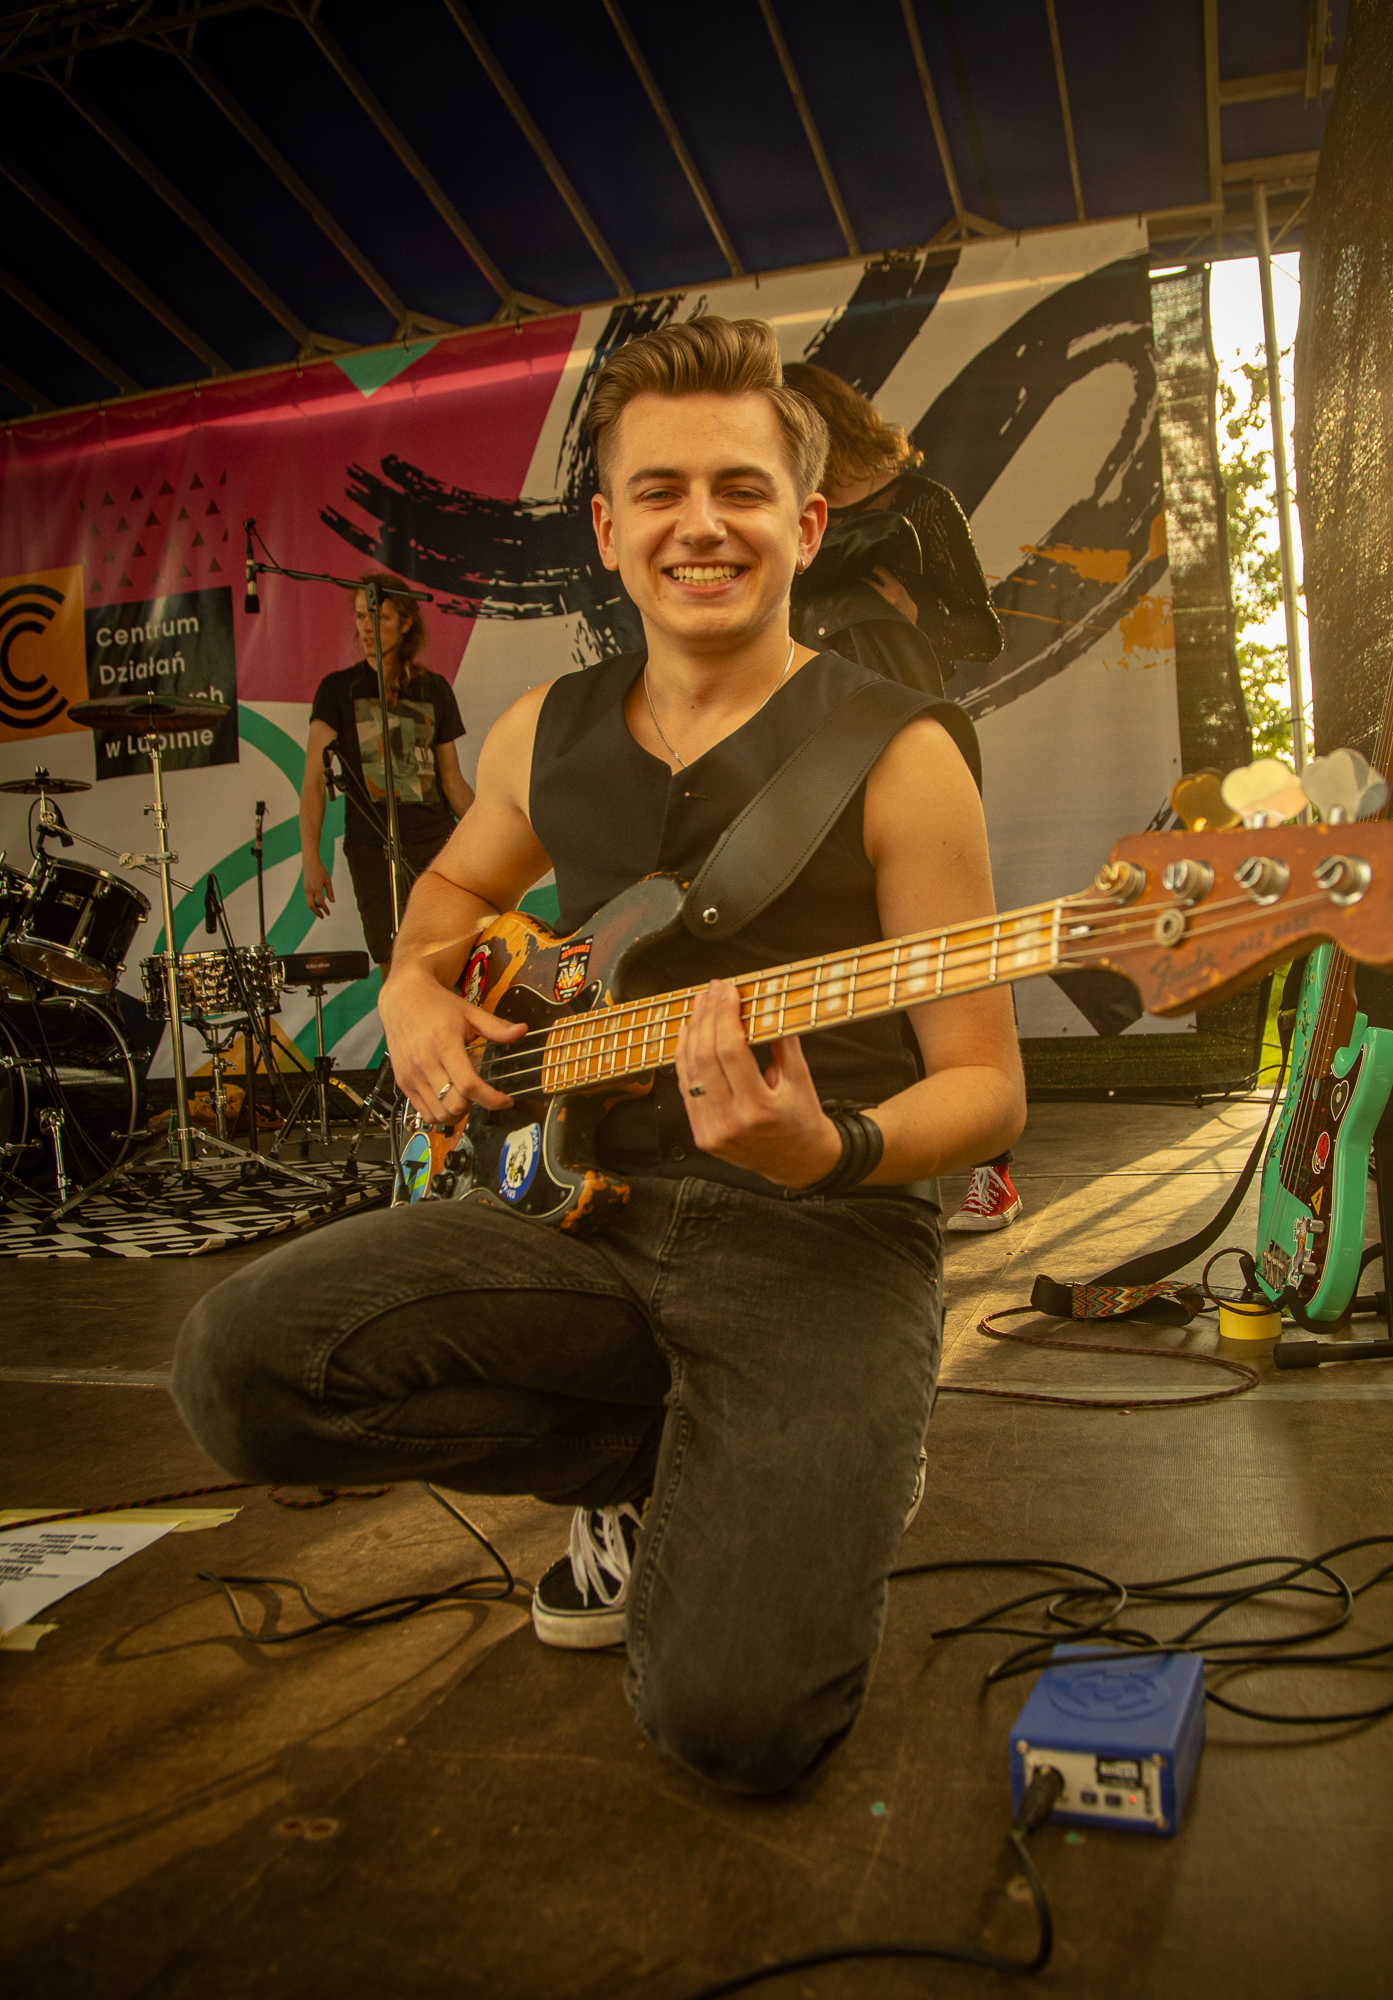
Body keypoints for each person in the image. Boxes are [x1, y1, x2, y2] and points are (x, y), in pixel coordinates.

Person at [171, 317, 1024, 1797]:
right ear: (608, 530)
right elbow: (449, 893)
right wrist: (414, 989)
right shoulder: (538, 732)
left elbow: (988, 1087)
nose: (704, 524)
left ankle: (816, 1446)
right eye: (662, 490)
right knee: (239, 1371)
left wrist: (838, 1148)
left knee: (735, 1731)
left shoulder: (902, 754)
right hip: (578, 1212)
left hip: (818, 1238)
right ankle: (659, 1464)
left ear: (807, 525)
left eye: (743, 489)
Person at [785, 362, 1021, 1232]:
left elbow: (983, 633)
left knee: (945, 953)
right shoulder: (787, 510)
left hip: (905, 727)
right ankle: (857, 1146)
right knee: (837, 934)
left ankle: (991, 1167)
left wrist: (915, 616)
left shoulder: (920, 502)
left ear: (826, 423)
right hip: (805, 732)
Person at [299, 574, 475, 978]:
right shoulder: (337, 690)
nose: (366, 626)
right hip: (372, 848)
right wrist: (311, 858)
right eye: (361, 616)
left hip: (435, 842)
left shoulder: (434, 689)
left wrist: (492, 834)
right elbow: (313, 781)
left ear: (406, 622)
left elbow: (452, 781)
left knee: (453, 961)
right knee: (396, 969)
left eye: (379, 617)